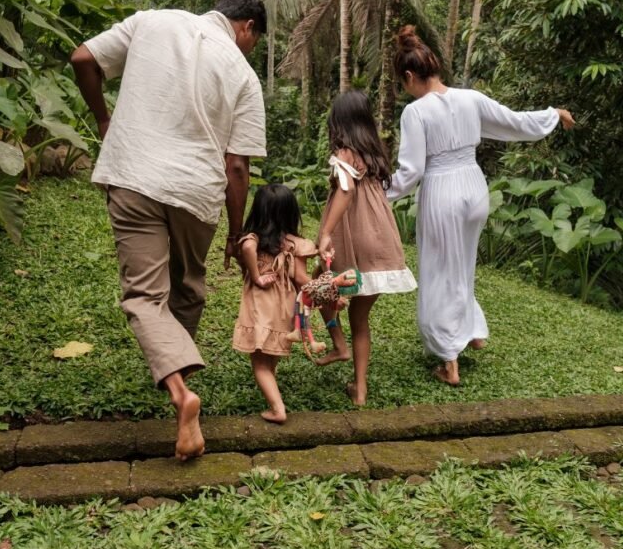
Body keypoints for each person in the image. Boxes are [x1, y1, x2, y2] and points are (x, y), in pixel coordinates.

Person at [70, 0, 268, 460]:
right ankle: (177, 382)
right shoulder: (243, 73)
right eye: (254, 41)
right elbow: (237, 166)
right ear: (247, 28)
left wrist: (103, 119)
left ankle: (179, 390)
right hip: (195, 193)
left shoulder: (152, 21)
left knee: (144, 296)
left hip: (134, 175)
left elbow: (82, 59)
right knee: (188, 289)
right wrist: (236, 231)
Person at [386, 26, 575, 386]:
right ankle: (472, 329)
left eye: (403, 81)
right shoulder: (470, 98)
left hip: (442, 190)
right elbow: (515, 122)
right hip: (474, 187)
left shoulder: (416, 112)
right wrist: (553, 114)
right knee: (463, 265)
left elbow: (411, 172)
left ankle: (448, 360)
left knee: (439, 271)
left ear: (409, 76)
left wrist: (377, 195)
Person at [316, 91, 417, 406]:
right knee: (360, 319)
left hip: (353, 236)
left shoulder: (344, 154)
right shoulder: (374, 155)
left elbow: (345, 192)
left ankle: (338, 345)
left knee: (316, 287)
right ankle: (359, 391)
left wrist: (325, 234)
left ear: (339, 122)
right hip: (381, 238)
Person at [232, 184, 317, 423]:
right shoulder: (295, 244)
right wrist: (322, 291)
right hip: (285, 307)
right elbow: (301, 279)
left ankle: (277, 408)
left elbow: (246, 246)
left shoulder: (254, 240)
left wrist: (257, 276)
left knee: (259, 362)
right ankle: (273, 393)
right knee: (271, 355)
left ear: (257, 211)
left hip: (261, 305)